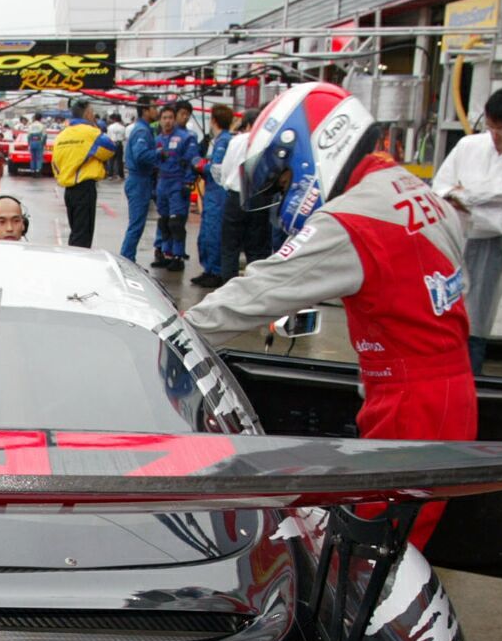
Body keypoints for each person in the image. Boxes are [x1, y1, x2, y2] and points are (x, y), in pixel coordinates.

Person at [184, 82, 474, 550]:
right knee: (396, 541)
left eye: (282, 180)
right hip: (445, 388)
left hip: (409, 403)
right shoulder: (407, 186)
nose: (284, 190)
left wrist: (174, 334)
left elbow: (260, 291)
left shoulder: (351, 219)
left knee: (372, 556)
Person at [432, 87, 502, 373]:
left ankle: (469, 380)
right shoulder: (468, 146)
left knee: (475, 322)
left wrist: (466, 199)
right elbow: (441, 188)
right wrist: (475, 199)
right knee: (440, 315)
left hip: (491, 247)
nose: (495, 135)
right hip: (451, 238)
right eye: (491, 126)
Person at [51, 98, 118, 248]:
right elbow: (111, 149)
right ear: (87, 113)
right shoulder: (92, 133)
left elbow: (55, 164)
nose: (93, 115)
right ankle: (77, 262)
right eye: (92, 112)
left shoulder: (61, 136)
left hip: (69, 191)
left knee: (76, 232)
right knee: (83, 237)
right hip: (85, 188)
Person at [216, 111, 272, 287]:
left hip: (235, 196)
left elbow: (225, 169)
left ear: (247, 124)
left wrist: (227, 184)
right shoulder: (268, 141)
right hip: (260, 198)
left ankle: (228, 288)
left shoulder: (236, 141)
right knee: (257, 249)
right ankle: (255, 287)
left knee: (230, 247)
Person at [191, 103, 235, 286]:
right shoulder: (218, 140)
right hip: (212, 193)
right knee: (206, 233)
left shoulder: (223, 141)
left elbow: (216, 168)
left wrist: (199, 164)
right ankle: (208, 269)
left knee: (213, 233)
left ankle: (215, 271)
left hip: (217, 194)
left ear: (214, 120)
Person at [152, 100, 199, 271]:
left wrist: (188, 182)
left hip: (178, 184)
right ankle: (166, 254)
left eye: (170, 118)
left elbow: (192, 161)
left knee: (176, 223)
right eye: (164, 118)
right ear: (160, 120)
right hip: (162, 183)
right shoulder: (157, 139)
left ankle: (178, 256)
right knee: (164, 222)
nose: (167, 121)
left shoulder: (186, 138)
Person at [118, 95, 159, 265]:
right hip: (139, 181)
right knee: (136, 225)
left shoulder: (145, 129)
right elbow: (141, 155)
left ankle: (128, 259)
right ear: (145, 110)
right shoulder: (142, 131)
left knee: (137, 224)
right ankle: (126, 261)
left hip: (140, 180)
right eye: (154, 107)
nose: (156, 111)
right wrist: (159, 154)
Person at [105, 112, 127, 179]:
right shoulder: (123, 127)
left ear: (114, 119)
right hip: (119, 144)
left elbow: (108, 136)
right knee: (119, 160)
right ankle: (121, 175)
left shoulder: (109, 127)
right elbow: (124, 137)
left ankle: (110, 175)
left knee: (111, 160)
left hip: (111, 143)